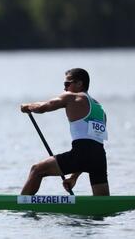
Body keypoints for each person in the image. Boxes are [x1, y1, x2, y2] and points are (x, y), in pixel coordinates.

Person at [20, 68, 109, 196]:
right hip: (99, 158)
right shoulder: (100, 109)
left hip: (81, 153)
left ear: (79, 83)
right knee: (104, 204)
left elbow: (44, 107)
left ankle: (20, 204)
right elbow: (91, 149)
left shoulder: (72, 97)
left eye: (67, 84)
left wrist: (27, 106)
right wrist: (73, 177)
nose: (65, 89)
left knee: (37, 170)